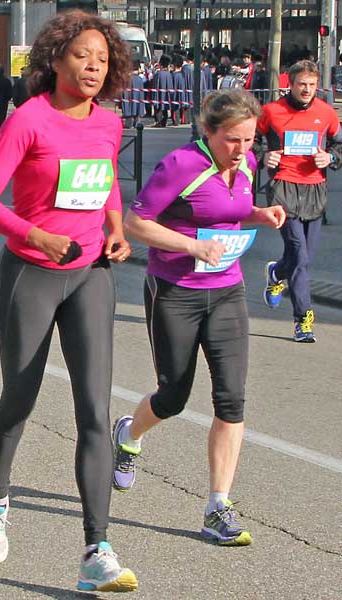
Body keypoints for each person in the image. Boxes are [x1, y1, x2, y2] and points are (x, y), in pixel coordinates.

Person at [0, 11, 138, 593]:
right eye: (82, 55)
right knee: (19, 400)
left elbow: (106, 181)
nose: (94, 67)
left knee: (94, 410)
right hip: (31, 275)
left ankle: (97, 548)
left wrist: (116, 229)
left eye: (103, 59)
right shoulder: (29, 119)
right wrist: (35, 235)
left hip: (91, 274)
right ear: (56, 59)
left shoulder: (109, 123)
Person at [115, 89, 285, 546]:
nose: (242, 149)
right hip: (175, 291)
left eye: (249, 139)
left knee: (232, 400)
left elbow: (230, 212)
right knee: (173, 396)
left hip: (227, 291)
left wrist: (260, 214)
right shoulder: (181, 165)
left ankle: (217, 507)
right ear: (207, 131)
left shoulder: (247, 165)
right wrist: (191, 246)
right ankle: (129, 434)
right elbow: (136, 222)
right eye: (232, 139)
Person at [257, 60, 342, 342]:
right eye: (301, 84)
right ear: (290, 85)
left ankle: (276, 273)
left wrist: (330, 158)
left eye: (312, 85)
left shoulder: (326, 113)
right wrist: (263, 156)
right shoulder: (272, 111)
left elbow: (339, 145)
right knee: (300, 255)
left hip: (315, 189)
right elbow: (249, 140)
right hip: (283, 188)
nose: (307, 90)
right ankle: (303, 320)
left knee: (302, 258)